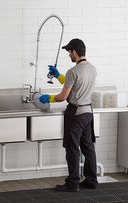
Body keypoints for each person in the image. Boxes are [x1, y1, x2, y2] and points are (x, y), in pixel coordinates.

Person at [39, 38, 98, 192]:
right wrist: (58, 76)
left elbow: (62, 97)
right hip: (88, 112)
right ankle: (91, 180)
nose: (68, 55)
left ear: (75, 52)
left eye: (69, 52)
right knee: (88, 148)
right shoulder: (92, 69)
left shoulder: (73, 71)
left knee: (72, 148)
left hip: (76, 113)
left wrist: (48, 98)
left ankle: (73, 183)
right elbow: (73, 85)